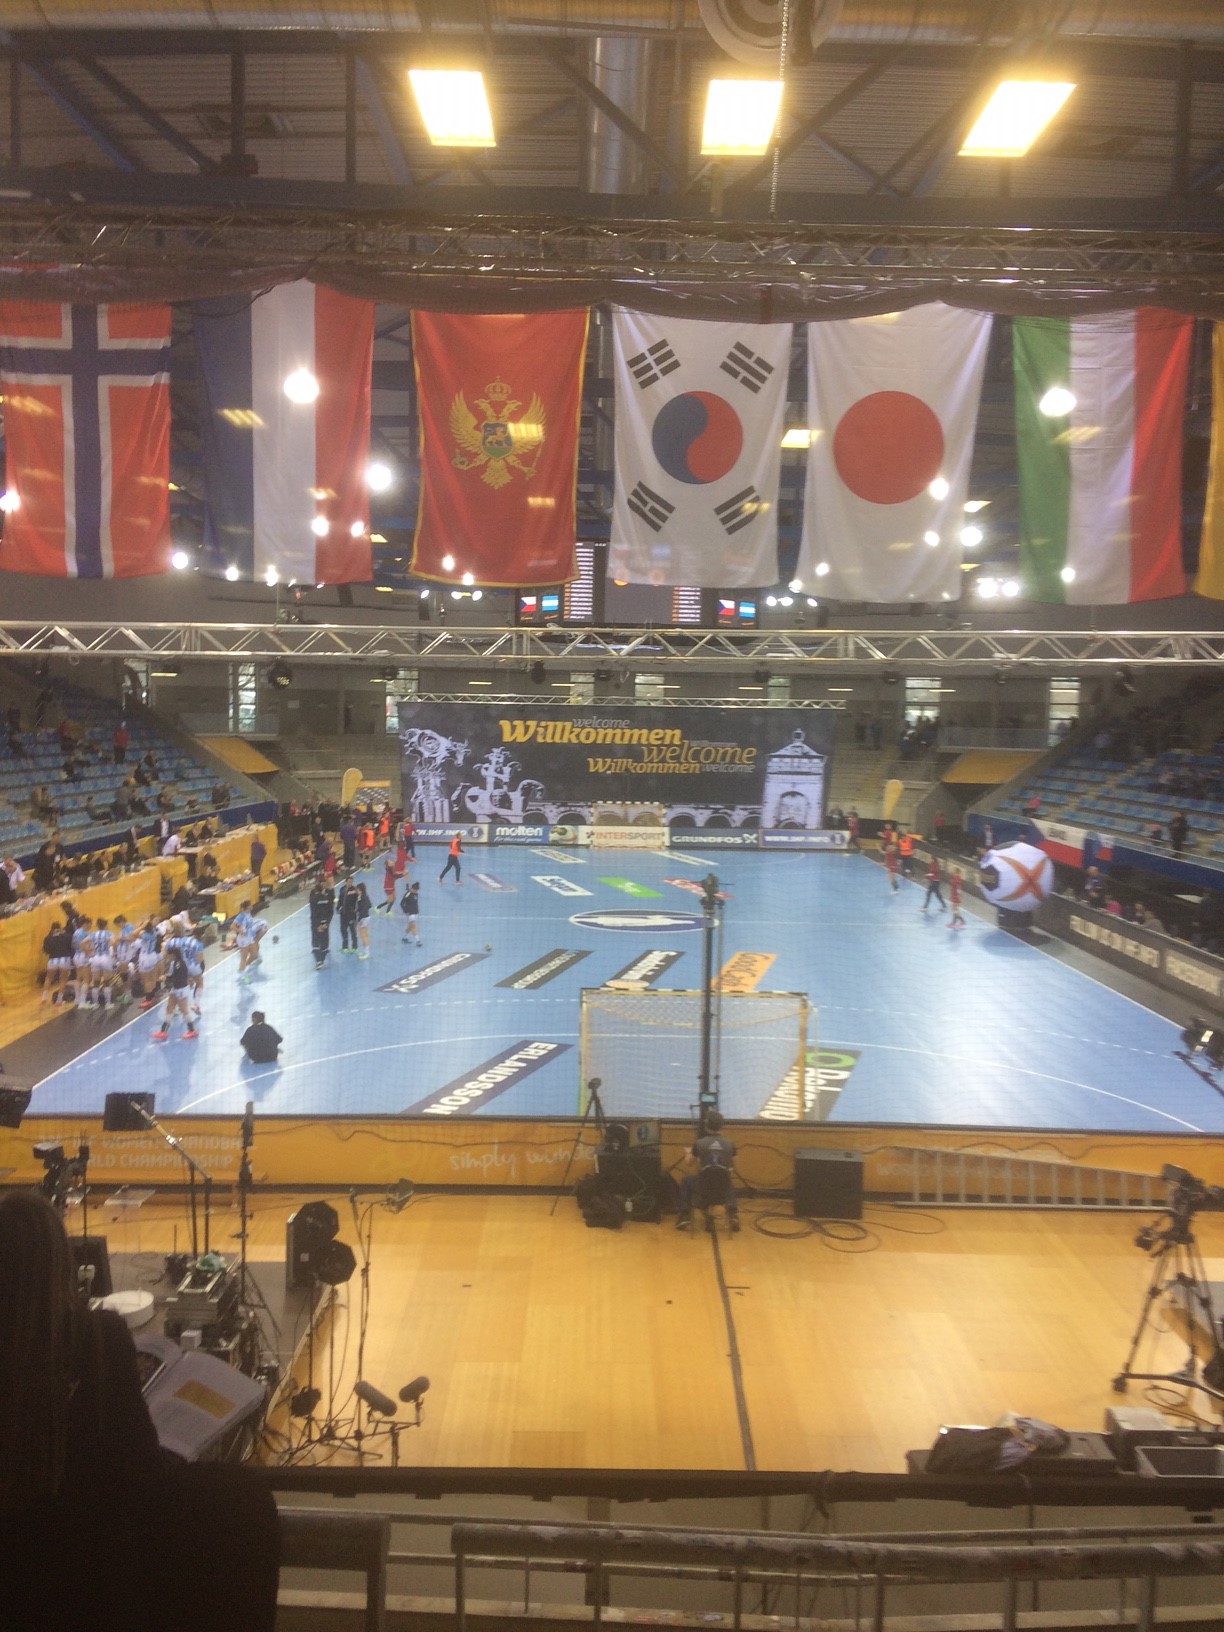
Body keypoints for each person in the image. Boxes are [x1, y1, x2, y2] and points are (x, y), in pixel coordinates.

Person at [675, 1111, 739, 1232]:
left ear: (706, 1125)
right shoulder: (730, 1144)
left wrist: (688, 1153)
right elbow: (733, 1167)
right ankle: (733, 1215)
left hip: (702, 1192)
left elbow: (689, 1163)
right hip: (721, 1192)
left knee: (686, 1180)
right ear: (722, 1125)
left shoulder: (699, 1144)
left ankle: (684, 1216)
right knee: (727, 1180)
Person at [151, 928, 199, 1041]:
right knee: (169, 1008)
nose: (166, 956)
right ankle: (163, 1031)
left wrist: (165, 978)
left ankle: (192, 1030)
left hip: (180, 989)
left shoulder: (179, 964)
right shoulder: (175, 963)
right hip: (175, 988)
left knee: (184, 1010)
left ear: (173, 954)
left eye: (168, 954)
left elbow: (177, 978)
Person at [41, 918, 75, 1005]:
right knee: (63, 979)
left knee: (48, 978)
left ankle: (44, 998)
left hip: (52, 960)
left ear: (51, 929)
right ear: (60, 928)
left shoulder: (47, 938)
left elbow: (46, 951)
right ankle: (59, 1000)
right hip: (64, 959)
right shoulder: (67, 936)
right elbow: (71, 947)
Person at [309, 879, 335, 969]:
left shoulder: (315, 898)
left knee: (317, 942)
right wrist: (326, 923)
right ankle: (321, 960)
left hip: (317, 923)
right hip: (322, 923)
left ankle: (319, 961)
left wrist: (318, 925)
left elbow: (313, 911)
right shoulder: (325, 898)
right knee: (321, 941)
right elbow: (330, 911)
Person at [337, 875, 361, 954]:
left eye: (351, 882)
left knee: (352, 930)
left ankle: (354, 947)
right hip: (343, 914)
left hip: (351, 914)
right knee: (343, 930)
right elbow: (340, 899)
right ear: (345, 882)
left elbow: (359, 898)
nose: (350, 883)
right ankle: (345, 947)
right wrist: (338, 908)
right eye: (349, 882)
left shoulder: (355, 890)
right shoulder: (342, 889)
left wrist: (357, 910)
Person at [354, 876, 372, 958]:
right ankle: (366, 951)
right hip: (366, 917)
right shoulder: (365, 895)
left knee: (363, 935)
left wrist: (360, 918)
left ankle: (367, 953)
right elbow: (369, 905)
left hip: (363, 917)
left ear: (359, 889)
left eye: (357, 889)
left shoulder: (361, 897)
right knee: (365, 934)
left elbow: (364, 908)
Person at [401, 877, 421, 945]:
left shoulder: (416, 894)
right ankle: (418, 941)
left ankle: (404, 938)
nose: (415, 891)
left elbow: (415, 903)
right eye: (414, 890)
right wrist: (405, 911)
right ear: (412, 888)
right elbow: (401, 903)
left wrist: (418, 909)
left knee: (409, 927)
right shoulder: (408, 893)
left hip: (415, 913)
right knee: (413, 927)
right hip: (410, 913)